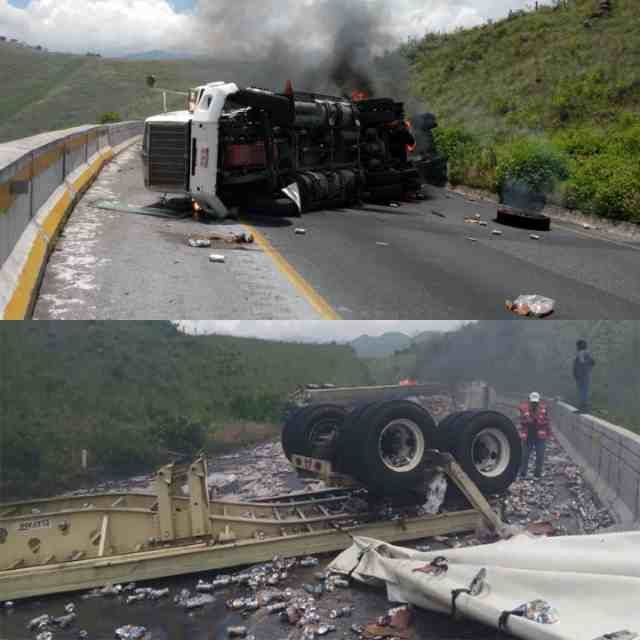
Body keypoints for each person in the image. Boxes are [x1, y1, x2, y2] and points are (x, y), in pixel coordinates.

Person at [519, 392, 551, 479]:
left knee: (540, 456)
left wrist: (539, 422)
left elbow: (547, 422)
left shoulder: (544, 409)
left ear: (539, 401)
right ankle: (522, 473)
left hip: (540, 437)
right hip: (528, 436)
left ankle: (537, 474)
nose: (534, 404)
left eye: (535, 402)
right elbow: (521, 420)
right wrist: (528, 421)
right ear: (529, 400)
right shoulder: (523, 408)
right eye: (533, 402)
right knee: (524, 456)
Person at [573, 339, 596, 413]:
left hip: (582, 377)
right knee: (583, 393)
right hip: (583, 376)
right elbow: (592, 362)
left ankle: (583, 409)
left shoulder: (582, 353)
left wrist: (584, 369)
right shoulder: (585, 353)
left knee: (583, 393)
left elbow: (583, 363)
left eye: (578, 346)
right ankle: (583, 409)